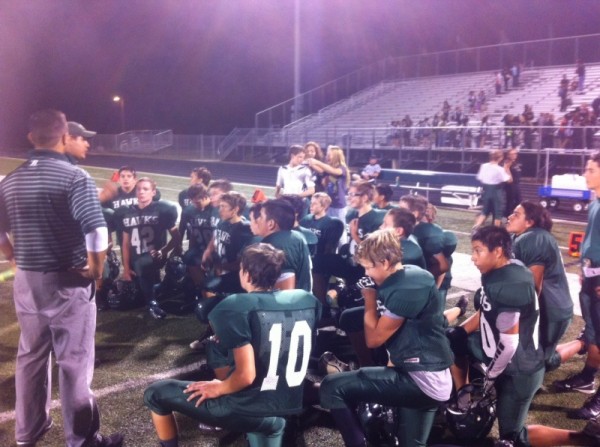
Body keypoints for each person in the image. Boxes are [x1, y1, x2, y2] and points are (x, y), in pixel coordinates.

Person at [0, 109, 122, 446]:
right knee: (74, 362)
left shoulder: (11, 178)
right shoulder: (75, 177)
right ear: (63, 136)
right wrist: (97, 270)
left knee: (31, 357)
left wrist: (12, 256)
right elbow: (96, 229)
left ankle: (28, 431)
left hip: (26, 282)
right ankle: (81, 438)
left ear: (30, 138)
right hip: (67, 283)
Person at [144, 243, 321, 447]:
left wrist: (220, 388)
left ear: (244, 272)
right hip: (289, 402)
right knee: (219, 348)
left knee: (156, 393)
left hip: (252, 407)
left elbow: (246, 376)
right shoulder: (307, 299)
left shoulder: (234, 305)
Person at [319, 229, 454, 447]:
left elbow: (373, 339)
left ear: (384, 261)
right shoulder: (407, 276)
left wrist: (370, 299)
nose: (366, 272)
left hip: (421, 379)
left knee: (332, 387)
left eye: (369, 266)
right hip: (423, 374)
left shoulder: (408, 286)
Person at [447, 226, 545, 446]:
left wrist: (490, 377)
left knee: (512, 437)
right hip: (501, 352)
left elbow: (510, 343)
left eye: (478, 251)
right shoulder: (508, 269)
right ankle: (462, 397)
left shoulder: (508, 285)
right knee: (453, 339)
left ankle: (583, 436)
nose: (472, 257)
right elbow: (488, 308)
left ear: (498, 251)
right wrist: (461, 331)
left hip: (518, 368)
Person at [552, 152, 600, 418]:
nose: (585, 173)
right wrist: (586, 268)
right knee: (593, 334)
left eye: (591, 169)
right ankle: (587, 377)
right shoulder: (595, 201)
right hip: (592, 275)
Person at [506, 201, 573, 374]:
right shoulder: (519, 236)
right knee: (533, 356)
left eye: (516, 214)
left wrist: (522, 317)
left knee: (538, 363)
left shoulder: (535, 237)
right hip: (544, 306)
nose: (509, 217)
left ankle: (582, 344)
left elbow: (533, 286)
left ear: (530, 222)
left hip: (550, 310)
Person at [115, 177, 179, 319]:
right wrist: (126, 268)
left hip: (155, 256)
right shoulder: (126, 212)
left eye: (145, 189)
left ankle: (152, 302)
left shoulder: (162, 210)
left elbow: (176, 236)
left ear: (153, 192)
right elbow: (125, 243)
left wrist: (164, 250)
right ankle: (157, 290)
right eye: (138, 189)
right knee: (136, 293)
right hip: (135, 258)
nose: (141, 192)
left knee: (173, 266)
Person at [253, 199, 313, 292]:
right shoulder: (295, 236)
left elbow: (286, 290)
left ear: (271, 224)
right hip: (303, 300)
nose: (257, 220)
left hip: (287, 304)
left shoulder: (276, 244)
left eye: (260, 216)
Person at [306, 145, 350, 221]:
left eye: (329, 155)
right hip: (328, 204)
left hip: (339, 205)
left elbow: (334, 171)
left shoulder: (342, 168)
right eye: (327, 155)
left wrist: (317, 162)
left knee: (340, 228)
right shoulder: (328, 169)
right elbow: (321, 170)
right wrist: (311, 162)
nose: (327, 157)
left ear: (336, 156)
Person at [473, 149, 511, 228]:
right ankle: (495, 231)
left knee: (484, 211)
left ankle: (475, 228)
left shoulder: (484, 166)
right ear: (500, 158)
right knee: (498, 214)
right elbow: (509, 180)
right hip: (496, 191)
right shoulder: (499, 169)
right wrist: (507, 168)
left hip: (486, 190)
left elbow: (480, 178)